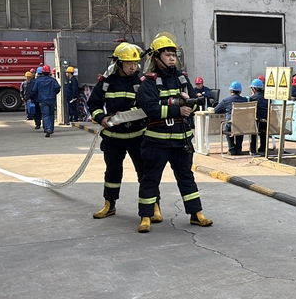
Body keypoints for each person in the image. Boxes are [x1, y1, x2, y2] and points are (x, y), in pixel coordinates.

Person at [136, 33, 212, 233]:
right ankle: (146, 216)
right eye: (167, 55)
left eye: (173, 55)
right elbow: (150, 108)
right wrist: (177, 109)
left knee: (186, 177)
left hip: (181, 140)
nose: (172, 58)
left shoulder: (182, 78)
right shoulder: (148, 82)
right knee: (150, 179)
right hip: (156, 141)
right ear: (156, 57)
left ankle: (196, 214)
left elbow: (194, 103)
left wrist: (189, 103)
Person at [87, 43, 147, 220]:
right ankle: (109, 204)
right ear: (119, 63)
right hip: (112, 139)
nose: (133, 67)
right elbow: (94, 104)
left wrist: (129, 114)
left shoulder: (141, 83)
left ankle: (153, 205)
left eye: (135, 63)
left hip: (137, 137)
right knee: (112, 172)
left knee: (145, 173)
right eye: (128, 63)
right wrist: (101, 118)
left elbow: (148, 106)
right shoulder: (106, 83)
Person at [213, 81, 249, 156]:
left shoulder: (226, 100)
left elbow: (216, 110)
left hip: (231, 124)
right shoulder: (245, 100)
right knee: (240, 126)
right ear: (240, 91)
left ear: (231, 91)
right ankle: (238, 149)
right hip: (242, 125)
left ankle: (231, 149)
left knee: (227, 127)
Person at [29, 64, 61, 137]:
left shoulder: (38, 80)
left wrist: (32, 97)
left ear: (42, 72)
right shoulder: (53, 80)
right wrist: (53, 94)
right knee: (51, 114)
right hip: (51, 100)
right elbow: (57, 88)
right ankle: (51, 129)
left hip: (42, 100)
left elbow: (34, 90)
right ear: (49, 72)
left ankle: (48, 129)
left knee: (45, 115)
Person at [248, 78, 268, 156]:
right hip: (268, 123)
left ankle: (253, 149)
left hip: (257, 123)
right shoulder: (267, 97)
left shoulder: (253, 98)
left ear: (253, 89)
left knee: (253, 126)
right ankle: (263, 147)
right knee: (263, 130)